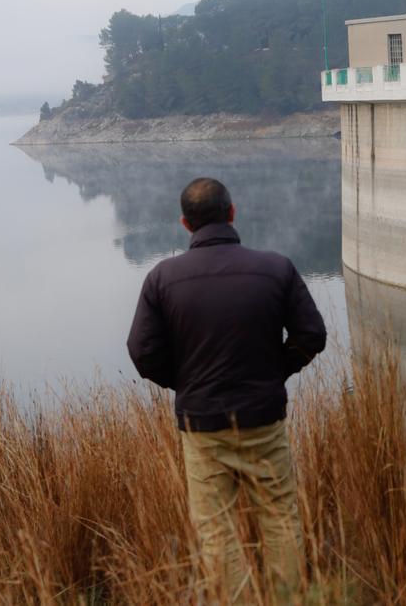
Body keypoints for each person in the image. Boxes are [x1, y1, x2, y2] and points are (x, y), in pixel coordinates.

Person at [127, 177, 326, 603]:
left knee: (215, 530)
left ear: (185, 224)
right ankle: (290, 599)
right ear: (233, 213)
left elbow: (142, 353)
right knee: (279, 519)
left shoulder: (162, 278)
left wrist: (186, 382)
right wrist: (275, 372)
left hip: (202, 426)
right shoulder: (277, 268)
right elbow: (312, 335)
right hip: (263, 420)